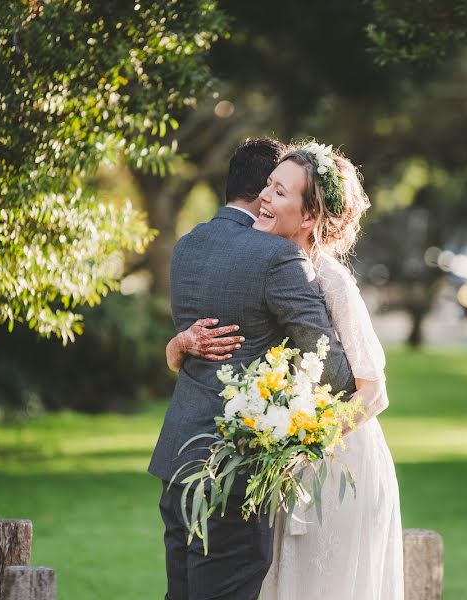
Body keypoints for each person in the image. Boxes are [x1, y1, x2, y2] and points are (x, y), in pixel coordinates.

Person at [168, 142, 404, 599]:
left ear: (310, 216)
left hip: (332, 463)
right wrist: (179, 345)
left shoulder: (330, 280)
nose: (264, 200)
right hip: (280, 457)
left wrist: (305, 444)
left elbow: (372, 392)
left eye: (279, 193)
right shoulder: (267, 263)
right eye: (268, 188)